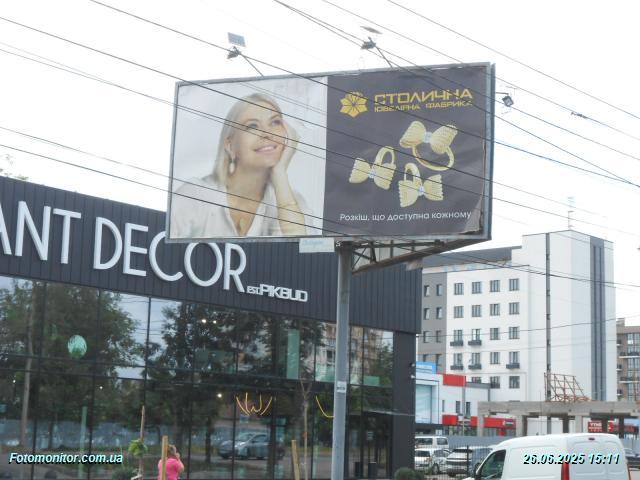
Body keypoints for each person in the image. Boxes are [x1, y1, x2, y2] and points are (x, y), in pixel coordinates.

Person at [170, 93, 311, 238]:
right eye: (252, 126)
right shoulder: (194, 196)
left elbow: (303, 249)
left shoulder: (293, 202)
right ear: (230, 146)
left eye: (275, 122)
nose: (267, 133)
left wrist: (280, 173)